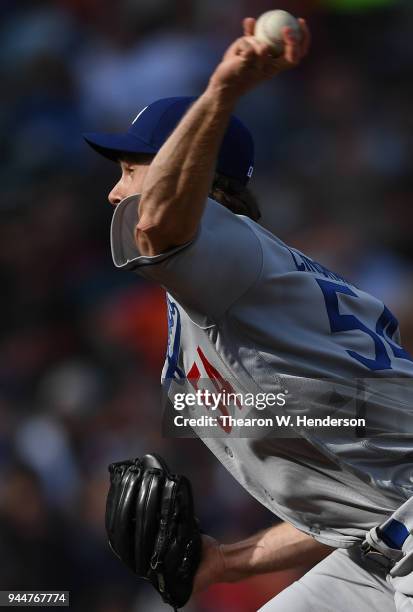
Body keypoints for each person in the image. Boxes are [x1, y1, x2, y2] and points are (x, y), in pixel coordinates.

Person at [84, 17, 413, 612]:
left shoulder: (224, 249)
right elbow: (351, 501)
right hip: (375, 545)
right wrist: (226, 563)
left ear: (193, 177)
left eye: (132, 169)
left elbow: (159, 222)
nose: (115, 191)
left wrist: (223, 90)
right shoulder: (223, 290)